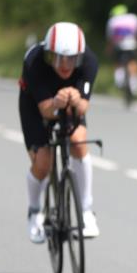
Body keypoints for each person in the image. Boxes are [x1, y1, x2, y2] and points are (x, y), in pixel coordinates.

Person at [19, 22, 100, 243]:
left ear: (80, 57)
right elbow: (45, 110)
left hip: (69, 102)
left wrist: (76, 101)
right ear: (48, 55)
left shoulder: (89, 62)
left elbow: (83, 107)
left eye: (71, 59)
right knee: (43, 163)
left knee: (78, 142)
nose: (64, 65)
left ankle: (86, 210)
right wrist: (56, 101)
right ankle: (35, 211)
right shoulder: (34, 62)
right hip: (36, 105)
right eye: (57, 58)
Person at [106, 4, 137, 97]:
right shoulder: (133, 18)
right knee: (133, 62)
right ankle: (135, 85)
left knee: (117, 62)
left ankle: (119, 80)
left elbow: (111, 38)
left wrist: (109, 49)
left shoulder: (112, 21)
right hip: (132, 45)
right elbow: (136, 34)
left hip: (119, 46)